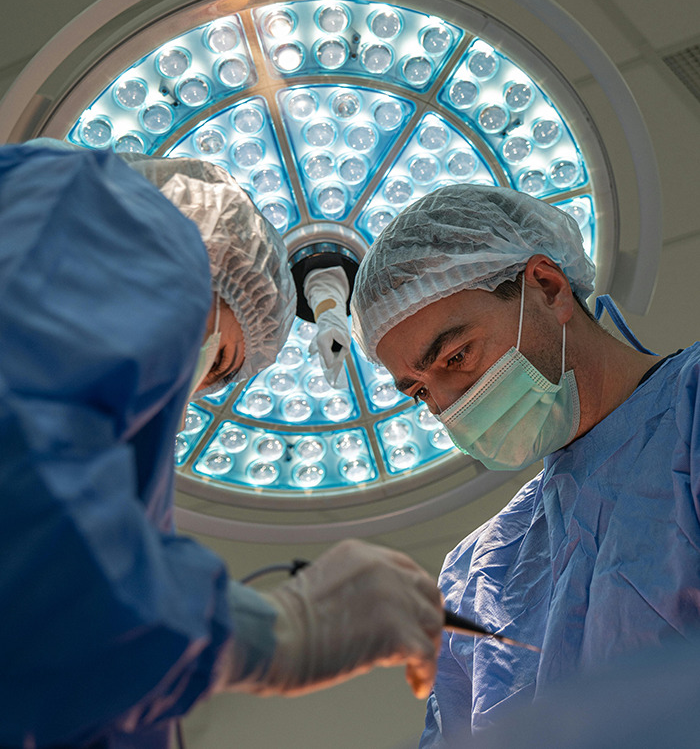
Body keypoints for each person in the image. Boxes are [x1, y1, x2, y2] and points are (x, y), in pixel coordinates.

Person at [0, 141, 443, 749]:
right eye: (221, 362)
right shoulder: (126, 224)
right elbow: (36, 553)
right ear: (208, 260)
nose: (184, 399)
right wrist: (277, 632)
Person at [350, 183, 700, 746]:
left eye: (456, 357)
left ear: (547, 286)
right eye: (419, 391)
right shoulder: (478, 575)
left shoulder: (691, 409)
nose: (446, 405)